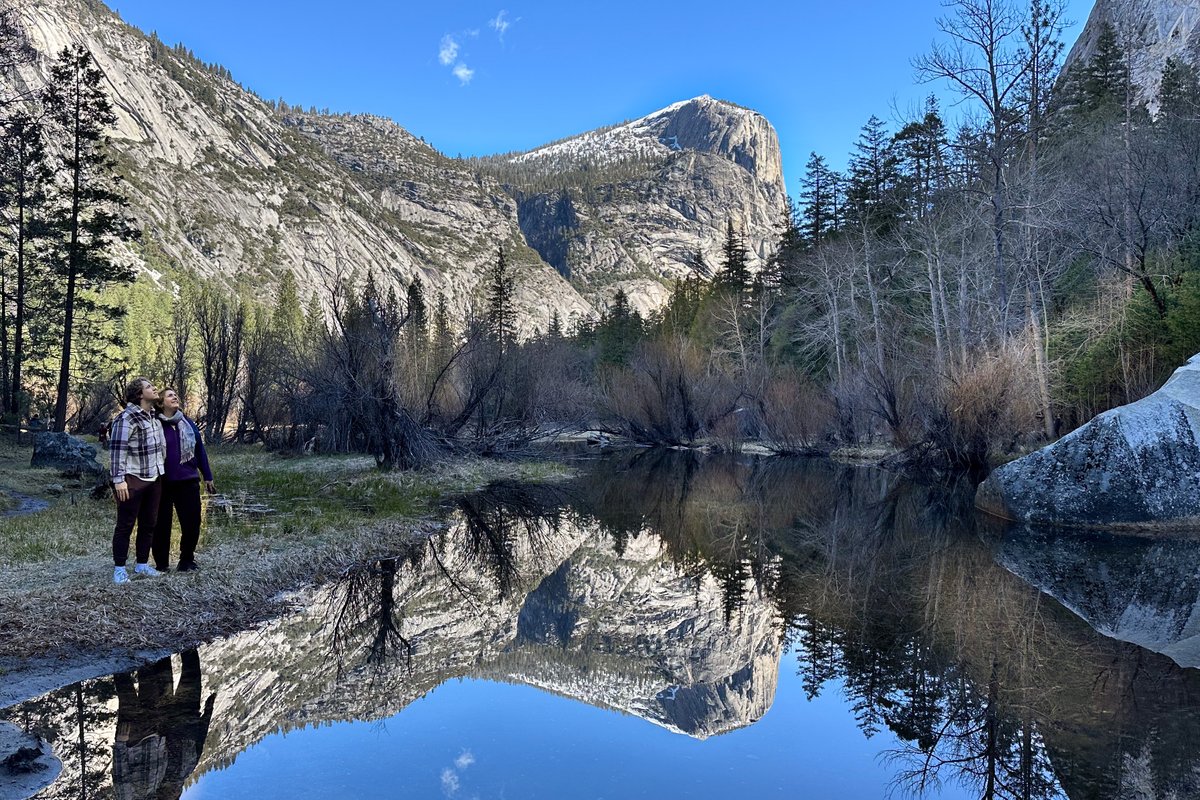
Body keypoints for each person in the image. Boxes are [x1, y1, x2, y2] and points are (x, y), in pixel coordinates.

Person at [110, 377, 166, 584]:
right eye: (150, 387)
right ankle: (119, 569)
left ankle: (142, 564)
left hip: (154, 478)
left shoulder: (152, 416)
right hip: (132, 479)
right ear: (139, 394)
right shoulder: (127, 418)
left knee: (149, 523)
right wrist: (118, 480)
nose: (155, 388)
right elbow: (117, 451)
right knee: (125, 525)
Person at [153, 389, 214, 573]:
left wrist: (208, 476)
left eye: (175, 395)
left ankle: (187, 560)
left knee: (192, 523)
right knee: (161, 525)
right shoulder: (154, 424)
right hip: (163, 482)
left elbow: (199, 450)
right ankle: (161, 564)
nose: (174, 397)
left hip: (188, 481)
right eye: (169, 395)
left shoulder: (187, 423)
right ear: (161, 403)